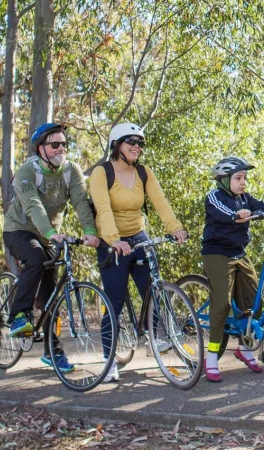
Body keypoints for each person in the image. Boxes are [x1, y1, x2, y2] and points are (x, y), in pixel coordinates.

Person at [90, 122, 188, 382]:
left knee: (153, 290)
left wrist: (175, 228)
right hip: (111, 242)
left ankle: (152, 337)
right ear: (116, 145)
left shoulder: (144, 172)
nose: (137, 146)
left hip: (138, 236)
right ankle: (109, 360)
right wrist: (113, 240)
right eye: (131, 141)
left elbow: (160, 201)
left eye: (140, 142)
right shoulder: (102, 173)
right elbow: (103, 209)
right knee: (114, 301)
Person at [3, 122, 101, 373]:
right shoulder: (27, 172)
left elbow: (81, 203)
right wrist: (51, 233)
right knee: (35, 257)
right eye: (55, 144)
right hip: (19, 230)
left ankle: (52, 351)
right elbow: (33, 205)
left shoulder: (71, 171)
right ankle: (18, 316)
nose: (61, 149)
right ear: (41, 149)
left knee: (51, 297)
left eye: (64, 144)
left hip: (49, 236)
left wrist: (90, 231)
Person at [200, 156, 264, 382]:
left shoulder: (245, 198)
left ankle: (244, 348)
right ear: (224, 180)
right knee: (222, 304)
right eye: (238, 178)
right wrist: (236, 215)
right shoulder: (214, 197)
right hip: (217, 253)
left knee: (253, 301)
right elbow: (221, 212)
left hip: (239, 253)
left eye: (244, 178)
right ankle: (212, 357)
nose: (243, 182)